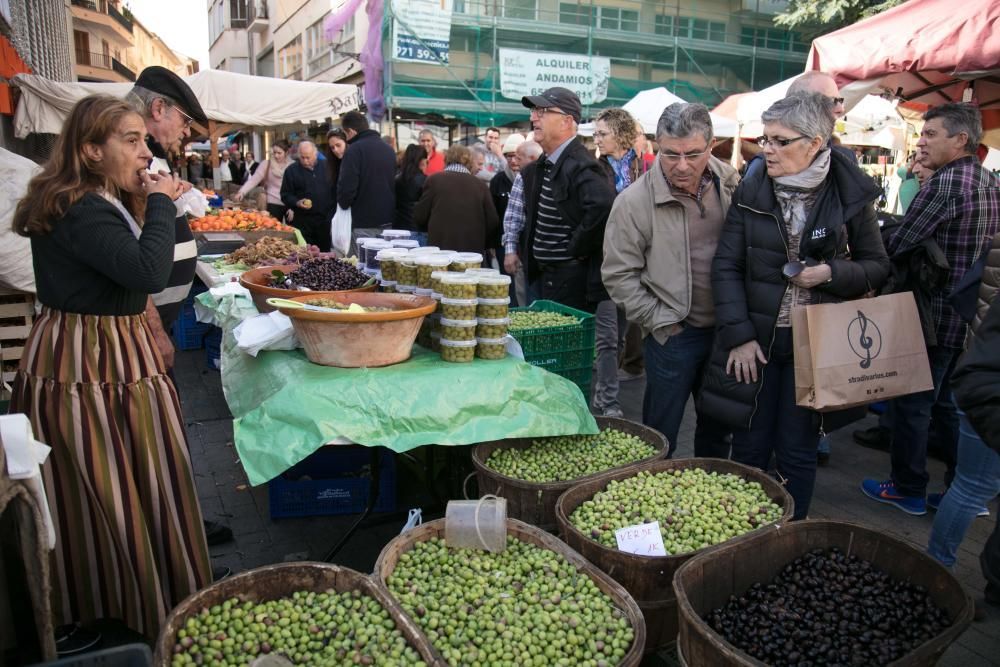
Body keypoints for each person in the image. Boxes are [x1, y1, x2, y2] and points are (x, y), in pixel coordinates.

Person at [9, 95, 212, 639]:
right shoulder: (83, 207)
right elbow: (146, 270)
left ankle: (134, 592)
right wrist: (164, 201)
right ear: (90, 150)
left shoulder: (94, 199)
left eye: (144, 139)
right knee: (111, 480)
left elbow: (122, 276)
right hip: (92, 361)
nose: (146, 152)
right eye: (131, 140)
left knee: (124, 475)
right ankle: (129, 604)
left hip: (102, 349)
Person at [702, 93, 890, 520]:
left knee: (798, 452)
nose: (766, 149)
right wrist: (740, 337)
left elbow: (878, 267)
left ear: (816, 142)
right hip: (757, 342)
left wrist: (830, 274)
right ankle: (740, 537)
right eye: (765, 139)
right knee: (748, 447)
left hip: (817, 346)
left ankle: (789, 537)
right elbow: (727, 266)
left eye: (780, 141)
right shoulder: (751, 186)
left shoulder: (849, 194)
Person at [863, 103, 1000, 516]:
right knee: (946, 406)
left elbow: (902, 241)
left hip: (934, 314)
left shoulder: (945, 184)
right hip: (972, 315)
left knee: (912, 404)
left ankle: (907, 487)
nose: (921, 141)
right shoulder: (987, 180)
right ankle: (963, 491)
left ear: (961, 140)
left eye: (930, 134)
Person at [603, 103, 739, 456]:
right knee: (659, 436)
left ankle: (712, 496)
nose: (681, 165)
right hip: (673, 334)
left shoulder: (730, 182)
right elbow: (618, 275)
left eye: (693, 154)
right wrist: (661, 321)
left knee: (717, 432)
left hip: (726, 332)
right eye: (670, 154)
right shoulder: (633, 202)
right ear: (655, 145)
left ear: (712, 146)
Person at [927, 231, 1000, 575]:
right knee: (974, 485)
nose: (916, 172)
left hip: (978, 365)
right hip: (988, 383)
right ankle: (937, 571)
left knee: (973, 484)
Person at [517, 87, 616, 311]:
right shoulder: (545, 164)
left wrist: (574, 249)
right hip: (544, 274)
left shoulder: (581, 165)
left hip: (567, 280)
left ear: (566, 121)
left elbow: (603, 208)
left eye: (542, 111)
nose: (533, 117)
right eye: (533, 110)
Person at [591, 107, 642, 419]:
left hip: (634, 266)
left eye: (602, 133)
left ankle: (603, 391)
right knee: (608, 339)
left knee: (621, 336)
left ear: (621, 135)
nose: (597, 139)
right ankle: (608, 400)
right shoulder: (595, 170)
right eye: (596, 133)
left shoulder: (642, 167)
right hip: (604, 265)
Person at [413, 144, 499, 256]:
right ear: (469, 161)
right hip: (471, 253)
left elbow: (420, 216)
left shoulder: (434, 180)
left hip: (440, 252)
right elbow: (493, 220)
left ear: (447, 159)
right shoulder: (480, 185)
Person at [337, 110, 397, 228]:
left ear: (351, 131)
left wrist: (343, 203)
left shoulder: (354, 150)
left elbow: (347, 188)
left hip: (362, 221)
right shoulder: (389, 150)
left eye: (345, 133)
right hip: (387, 219)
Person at [502, 140, 543, 306]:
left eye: (519, 158)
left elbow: (514, 216)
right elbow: (514, 216)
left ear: (532, 158)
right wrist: (510, 250)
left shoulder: (524, 176)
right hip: (531, 254)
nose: (514, 162)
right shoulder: (522, 177)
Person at [281, 140, 333, 251]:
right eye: (302, 157)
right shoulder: (291, 171)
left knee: (324, 254)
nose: (305, 161)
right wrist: (296, 202)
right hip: (303, 222)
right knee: (305, 254)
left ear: (315, 154)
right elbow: (285, 195)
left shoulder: (327, 167)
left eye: (308, 157)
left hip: (324, 221)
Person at [236, 140, 293, 222]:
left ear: (286, 152)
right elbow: (253, 180)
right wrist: (242, 192)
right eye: (274, 153)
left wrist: (294, 207)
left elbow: (298, 187)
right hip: (272, 203)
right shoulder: (266, 164)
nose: (276, 156)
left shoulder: (293, 166)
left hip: (289, 204)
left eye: (279, 153)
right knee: (273, 231)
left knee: (291, 232)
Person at [489, 133, 524, 219]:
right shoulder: (497, 180)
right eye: (509, 156)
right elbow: (492, 213)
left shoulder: (532, 179)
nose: (512, 160)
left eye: (515, 156)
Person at [395, 144, 427, 231]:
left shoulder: (397, 179)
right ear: (421, 161)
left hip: (399, 226)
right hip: (418, 228)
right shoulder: (425, 180)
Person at [325, 128, 348, 203]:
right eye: (332, 147)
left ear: (346, 142)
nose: (335, 150)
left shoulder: (354, 162)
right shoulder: (332, 164)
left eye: (338, 145)